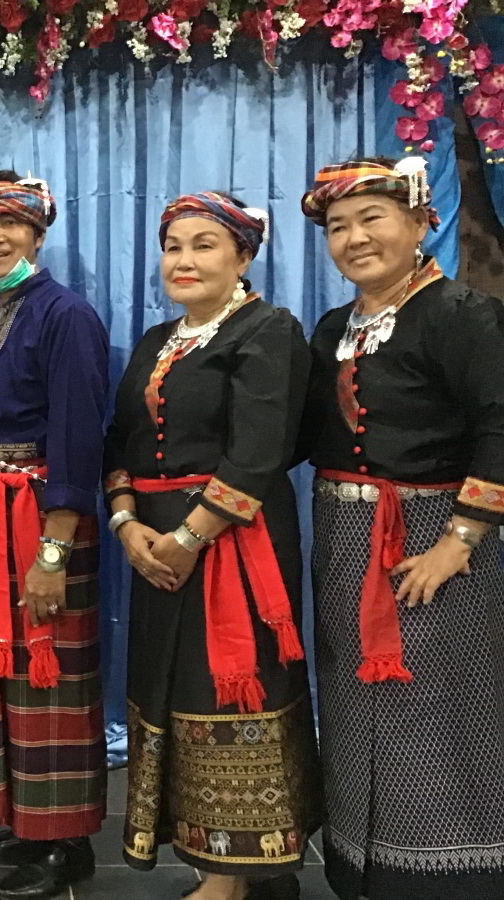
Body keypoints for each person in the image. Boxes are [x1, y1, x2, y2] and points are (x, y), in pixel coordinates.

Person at [103, 193, 322, 900]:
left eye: (204, 245)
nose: (184, 260)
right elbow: (121, 441)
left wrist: (189, 537)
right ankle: (217, 861)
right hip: (155, 546)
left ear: (243, 256)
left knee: (227, 691)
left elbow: (260, 451)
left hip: (233, 543)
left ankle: (235, 876)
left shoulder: (268, 330)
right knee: (169, 691)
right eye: (173, 247)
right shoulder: (155, 341)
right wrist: (126, 523)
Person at [298, 157, 504, 900]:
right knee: (353, 702)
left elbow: (500, 425)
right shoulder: (333, 328)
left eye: (371, 219)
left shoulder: (463, 315)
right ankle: (364, 866)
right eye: (338, 227)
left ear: (420, 222)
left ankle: (449, 876)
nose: (354, 239)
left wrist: (458, 540)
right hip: (345, 542)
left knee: (437, 704)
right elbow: (301, 432)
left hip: (436, 543)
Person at [0, 172, 110, 900]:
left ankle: (64, 842)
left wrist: (53, 552)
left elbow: (77, 439)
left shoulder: (66, 315)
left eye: (9, 223)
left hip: (40, 518)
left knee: (50, 674)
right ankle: (24, 820)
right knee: (3, 673)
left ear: (37, 235)